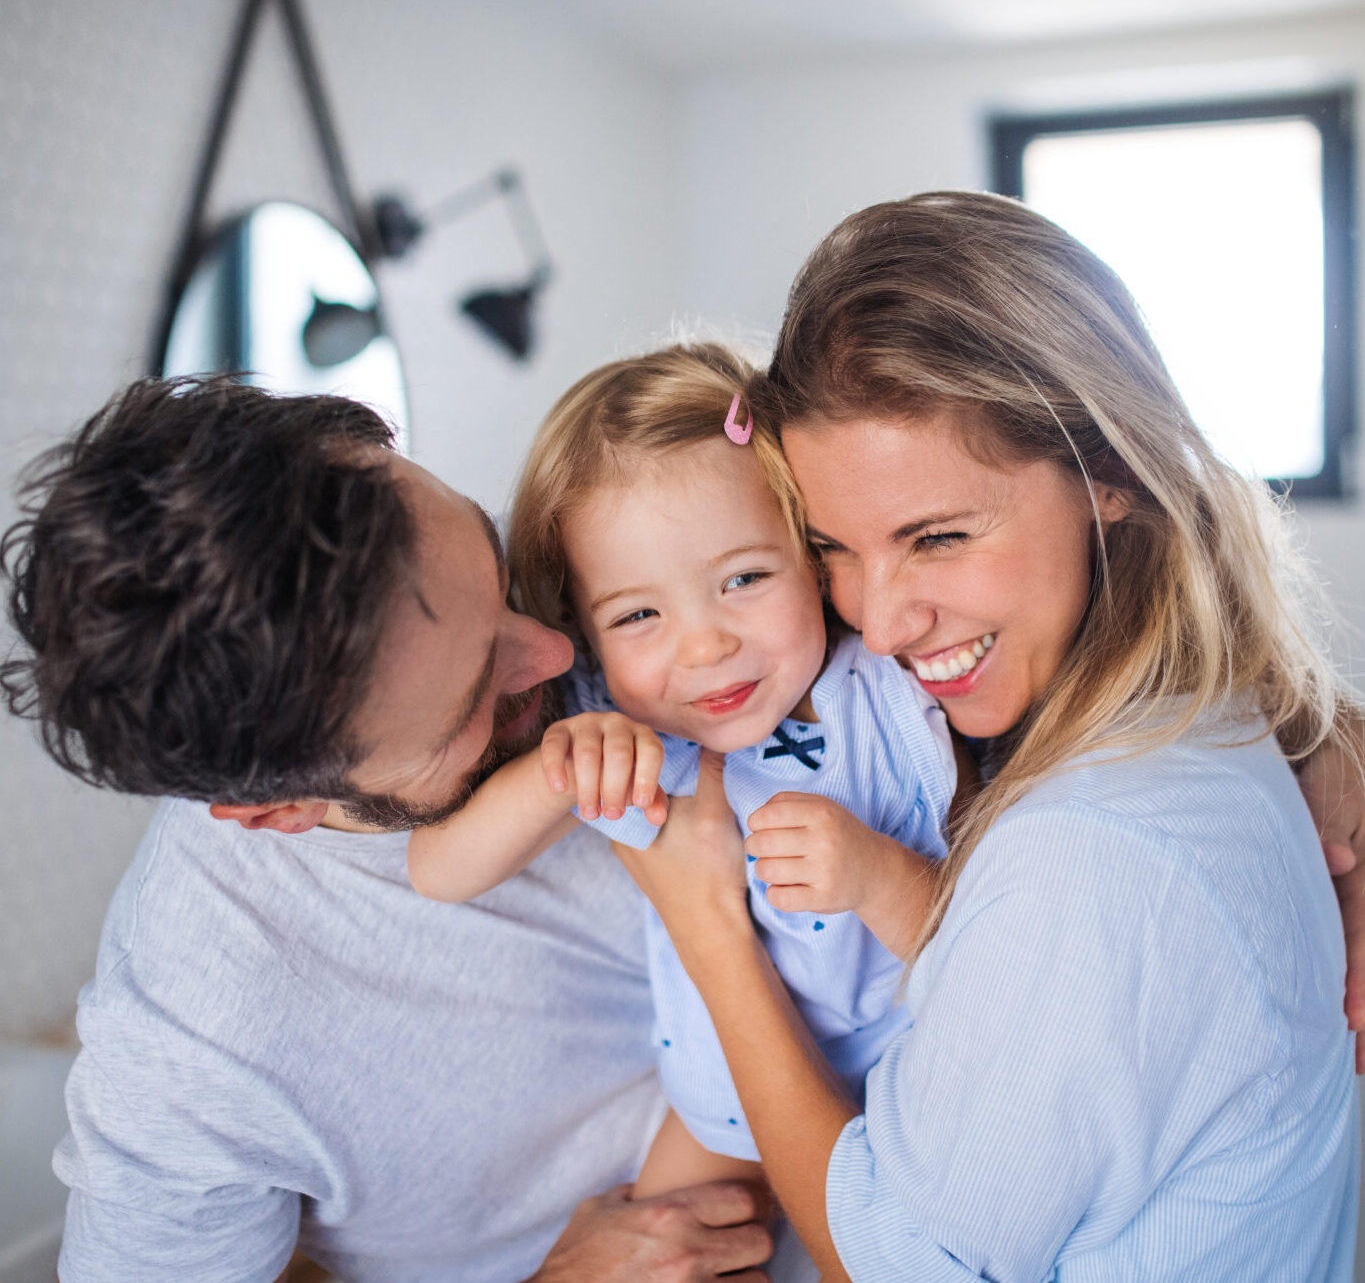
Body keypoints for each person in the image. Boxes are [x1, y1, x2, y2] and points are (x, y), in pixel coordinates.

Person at [610, 192, 1362, 1280]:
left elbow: (899, 1258)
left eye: (939, 537)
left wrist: (707, 927)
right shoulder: (1182, 715)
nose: (878, 619)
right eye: (834, 550)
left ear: (1111, 474)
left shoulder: (1088, 856)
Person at [0, 377, 774, 1282]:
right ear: (277, 811)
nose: (559, 650)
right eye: (474, 700)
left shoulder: (580, 549)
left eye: (492, 568)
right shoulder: (194, 1039)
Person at [406, 344, 956, 1197]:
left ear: (810, 554)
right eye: (637, 614)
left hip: (917, 1082)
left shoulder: (892, 697)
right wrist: (559, 770)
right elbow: (437, 870)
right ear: (585, 632)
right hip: (724, 1107)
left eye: (743, 577)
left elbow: (980, 955)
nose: (704, 645)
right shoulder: (627, 735)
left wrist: (877, 874)